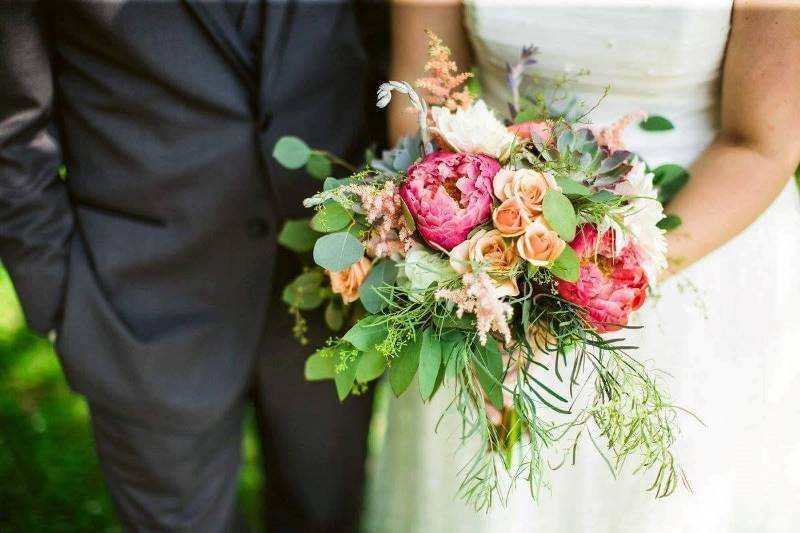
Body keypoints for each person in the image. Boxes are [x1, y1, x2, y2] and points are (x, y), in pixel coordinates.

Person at [364, 0, 800, 531]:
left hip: (697, 253)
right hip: (486, 284)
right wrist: (471, 247)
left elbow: (761, 144)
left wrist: (599, 279)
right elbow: (422, 87)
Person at [0, 1, 387, 531]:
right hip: (140, 304)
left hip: (336, 287)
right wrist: (60, 300)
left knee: (325, 513)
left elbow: (383, 34)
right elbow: (11, 126)